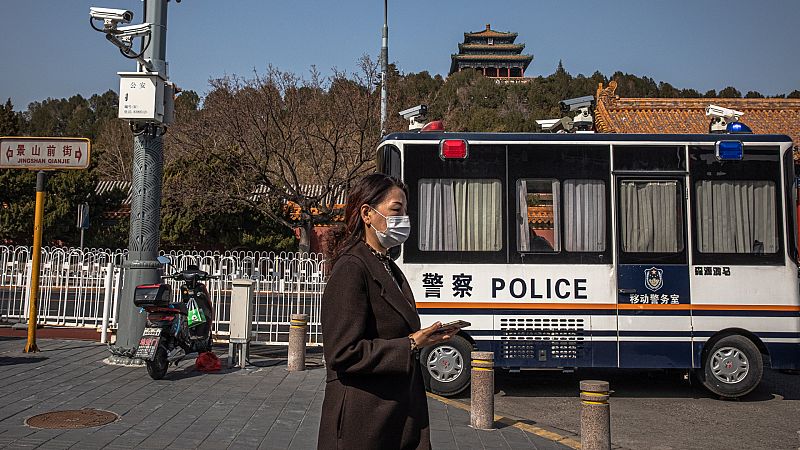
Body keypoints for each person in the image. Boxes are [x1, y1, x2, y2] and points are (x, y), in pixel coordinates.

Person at [317, 173, 458, 450]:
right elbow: (343, 353)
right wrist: (411, 343)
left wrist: (421, 338)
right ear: (367, 214)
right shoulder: (352, 267)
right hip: (363, 421)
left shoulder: (387, 266)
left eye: (405, 211)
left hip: (395, 415)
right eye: (396, 210)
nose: (404, 219)